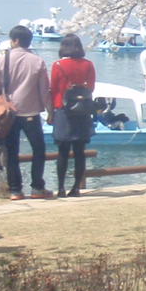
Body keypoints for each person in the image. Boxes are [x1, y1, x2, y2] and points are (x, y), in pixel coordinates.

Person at [0, 24, 53, 200]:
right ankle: (37, 187)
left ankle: (15, 190)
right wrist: (50, 111)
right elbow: (44, 90)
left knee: (11, 151)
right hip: (31, 112)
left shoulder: (4, 59)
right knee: (39, 149)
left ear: (15, 40)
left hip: (9, 112)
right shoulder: (37, 61)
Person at [49, 33, 97, 197]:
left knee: (62, 152)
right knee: (80, 151)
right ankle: (76, 188)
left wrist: (50, 112)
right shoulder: (88, 65)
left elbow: (54, 89)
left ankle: (61, 188)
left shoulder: (58, 65)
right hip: (82, 111)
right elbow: (91, 87)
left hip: (63, 110)